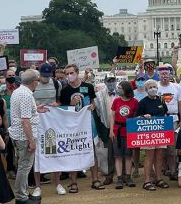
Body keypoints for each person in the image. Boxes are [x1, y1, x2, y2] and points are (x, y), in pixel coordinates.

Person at [59, 64, 103, 193]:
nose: (69, 76)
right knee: (73, 152)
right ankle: (73, 182)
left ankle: (95, 179)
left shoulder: (87, 87)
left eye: (71, 73)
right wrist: (71, 104)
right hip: (72, 126)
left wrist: (92, 106)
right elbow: (63, 108)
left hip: (88, 123)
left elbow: (93, 101)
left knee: (92, 151)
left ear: (77, 73)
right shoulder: (65, 90)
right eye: (67, 74)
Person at [9, 70, 47, 204]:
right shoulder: (26, 95)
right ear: (33, 81)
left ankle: (23, 193)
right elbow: (25, 121)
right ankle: (21, 197)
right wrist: (31, 140)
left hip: (20, 135)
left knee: (24, 166)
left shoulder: (19, 91)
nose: (38, 82)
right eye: (37, 80)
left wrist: (35, 109)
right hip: (24, 136)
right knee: (24, 167)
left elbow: (23, 114)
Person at [31, 63, 65, 196]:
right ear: (39, 74)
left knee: (53, 151)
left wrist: (57, 104)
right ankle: (37, 186)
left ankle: (57, 183)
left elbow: (60, 101)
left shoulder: (57, 84)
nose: (45, 78)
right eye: (43, 76)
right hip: (37, 122)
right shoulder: (33, 85)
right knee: (37, 154)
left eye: (48, 75)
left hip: (51, 122)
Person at [136, 79, 169, 191]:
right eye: (150, 87)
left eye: (154, 86)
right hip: (148, 133)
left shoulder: (161, 100)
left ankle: (159, 179)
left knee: (159, 156)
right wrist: (144, 116)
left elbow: (165, 113)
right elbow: (136, 118)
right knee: (149, 156)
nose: (153, 89)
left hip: (160, 132)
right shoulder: (142, 103)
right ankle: (147, 181)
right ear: (146, 90)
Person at [157, 66, 181, 181]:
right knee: (161, 147)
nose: (164, 76)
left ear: (170, 75)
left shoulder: (176, 87)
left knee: (172, 147)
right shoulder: (156, 87)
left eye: (166, 74)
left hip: (173, 119)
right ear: (159, 75)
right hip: (160, 120)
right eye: (162, 74)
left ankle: (173, 170)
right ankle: (163, 169)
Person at [110, 81, 139, 189]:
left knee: (128, 155)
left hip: (129, 131)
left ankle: (128, 176)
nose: (118, 89)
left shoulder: (134, 101)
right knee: (117, 156)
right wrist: (111, 130)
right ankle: (119, 178)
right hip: (117, 130)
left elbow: (136, 116)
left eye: (120, 87)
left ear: (126, 89)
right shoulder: (116, 100)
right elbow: (112, 115)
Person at [94, 73, 117, 185]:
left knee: (123, 152)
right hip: (107, 126)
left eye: (113, 80)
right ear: (105, 82)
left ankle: (124, 175)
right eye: (109, 80)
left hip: (121, 126)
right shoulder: (98, 95)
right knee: (109, 152)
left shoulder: (121, 92)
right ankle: (109, 175)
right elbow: (97, 113)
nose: (111, 82)